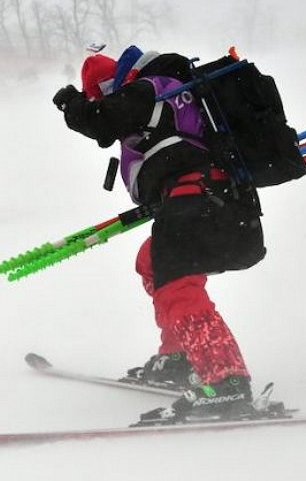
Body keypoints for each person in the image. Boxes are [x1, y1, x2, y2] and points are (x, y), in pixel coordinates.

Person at [52, 47, 268, 425]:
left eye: (100, 94)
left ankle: (227, 379)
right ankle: (183, 356)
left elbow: (102, 122)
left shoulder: (152, 89)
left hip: (198, 202)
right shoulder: (170, 93)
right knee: (151, 262)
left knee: (176, 285)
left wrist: (73, 104)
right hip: (206, 203)